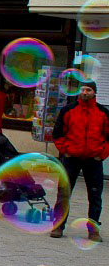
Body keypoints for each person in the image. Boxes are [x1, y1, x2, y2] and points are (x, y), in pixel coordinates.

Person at [49, 81, 109, 241]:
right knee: (64, 193)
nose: (84, 92)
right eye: (82, 89)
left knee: (95, 195)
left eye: (88, 90)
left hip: (93, 160)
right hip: (71, 159)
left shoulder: (103, 112)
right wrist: (65, 150)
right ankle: (58, 226)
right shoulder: (68, 110)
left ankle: (93, 229)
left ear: (94, 93)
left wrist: (101, 155)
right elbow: (57, 134)